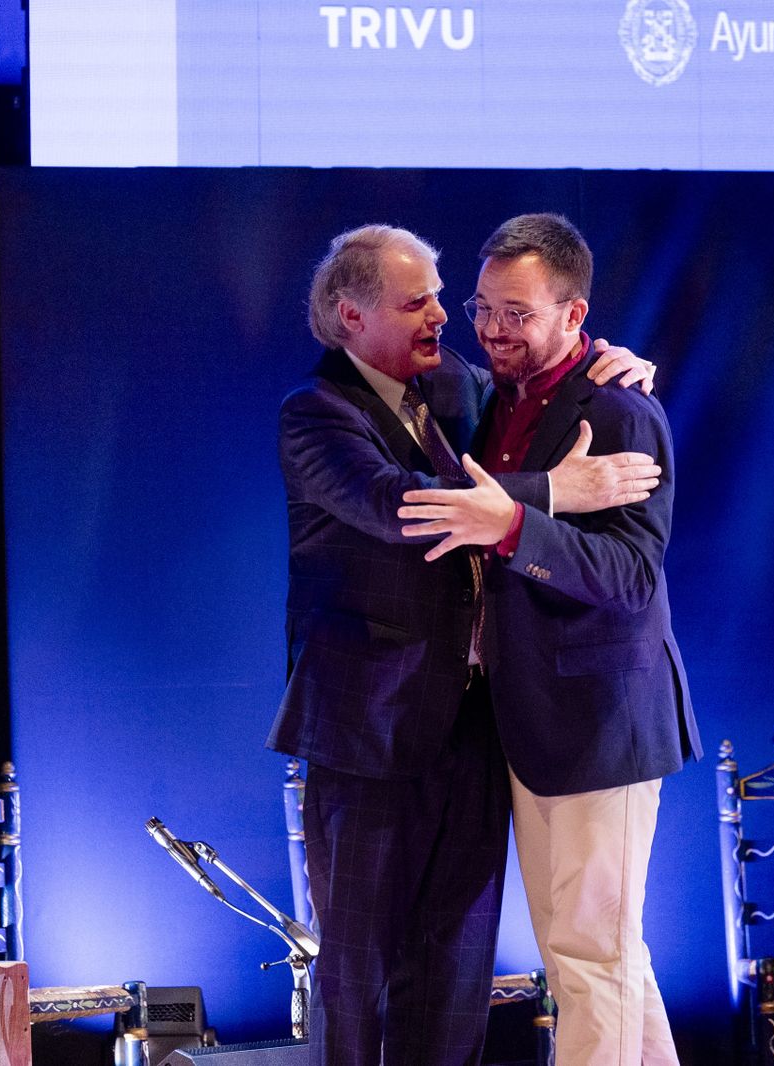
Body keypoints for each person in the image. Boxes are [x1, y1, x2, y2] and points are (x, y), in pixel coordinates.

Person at [268, 223, 662, 1066]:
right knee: (358, 974)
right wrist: (558, 491)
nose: (448, 319)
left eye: (451, 299)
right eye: (422, 303)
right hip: (370, 737)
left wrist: (614, 360)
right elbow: (401, 506)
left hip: (477, 731)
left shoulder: (456, 389)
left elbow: (551, 371)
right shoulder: (315, 415)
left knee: (454, 974)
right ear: (350, 316)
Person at [399, 213, 703, 1065]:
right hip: (540, 722)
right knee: (606, 954)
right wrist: (530, 504)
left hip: (596, 725)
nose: (494, 329)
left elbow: (632, 578)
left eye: (519, 313)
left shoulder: (618, 410)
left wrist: (513, 528)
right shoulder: (495, 398)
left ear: (576, 316)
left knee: (587, 960)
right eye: (484, 307)